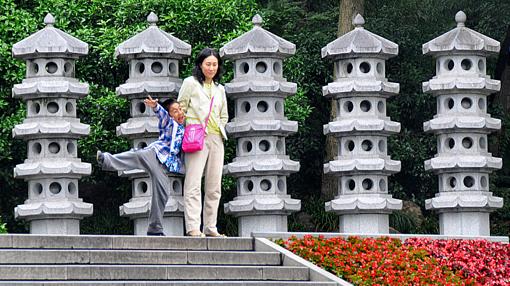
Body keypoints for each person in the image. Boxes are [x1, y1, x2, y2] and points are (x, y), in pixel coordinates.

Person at [97, 96, 185, 236]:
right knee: (136, 156)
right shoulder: (168, 123)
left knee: (163, 193)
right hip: (154, 153)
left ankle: (155, 229)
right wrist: (156, 107)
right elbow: (162, 114)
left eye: (180, 109)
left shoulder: (184, 130)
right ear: (170, 115)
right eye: (175, 111)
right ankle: (106, 159)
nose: (179, 113)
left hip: (163, 166)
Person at [178, 47, 228, 237]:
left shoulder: (220, 89)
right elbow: (179, 110)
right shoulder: (190, 83)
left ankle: (210, 227)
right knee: (193, 184)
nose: (211, 68)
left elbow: (224, 115)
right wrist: (192, 126)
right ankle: (192, 227)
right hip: (196, 137)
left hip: (217, 138)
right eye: (208, 64)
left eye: (215, 64)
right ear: (200, 65)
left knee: (214, 186)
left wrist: (219, 128)